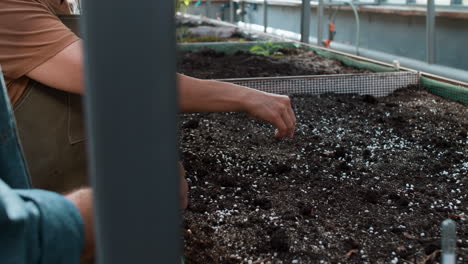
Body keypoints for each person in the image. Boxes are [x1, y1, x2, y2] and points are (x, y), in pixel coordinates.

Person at [0, 0, 297, 262]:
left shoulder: (66, 4)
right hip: (53, 222)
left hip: (93, 208)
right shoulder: (9, 9)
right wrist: (244, 97)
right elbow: (120, 80)